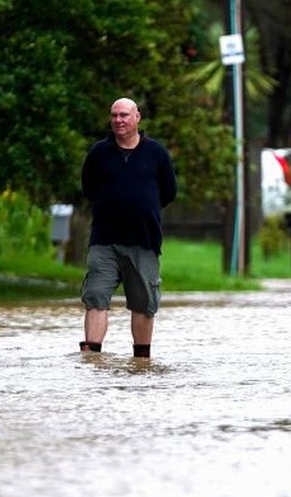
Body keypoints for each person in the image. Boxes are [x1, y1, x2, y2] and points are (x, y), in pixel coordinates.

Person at [79, 97, 177, 358]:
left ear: (137, 118)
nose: (118, 120)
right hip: (104, 240)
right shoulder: (99, 153)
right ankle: (92, 357)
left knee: (144, 303)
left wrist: (142, 208)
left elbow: (169, 192)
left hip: (144, 241)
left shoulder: (156, 153)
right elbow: (89, 188)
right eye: (114, 115)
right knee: (96, 297)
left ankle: (141, 360)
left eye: (124, 115)